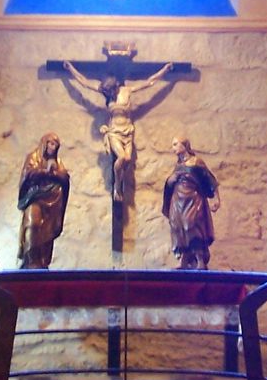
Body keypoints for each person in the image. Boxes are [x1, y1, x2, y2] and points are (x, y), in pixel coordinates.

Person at [63, 60, 174, 200]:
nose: (109, 94)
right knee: (122, 157)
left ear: (115, 85)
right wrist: (70, 69)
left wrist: (165, 70)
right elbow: (84, 82)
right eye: (107, 91)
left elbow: (149, 82)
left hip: (127, 131)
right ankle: (117, 186)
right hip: (114, 131)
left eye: (111, 90)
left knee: (127, 160)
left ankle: (119, 183)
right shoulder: (105, 91)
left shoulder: (127, 91)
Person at [163, 136, 220, 270]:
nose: (173, 148)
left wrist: (217, 199)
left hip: (193, 199)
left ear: (184, 145)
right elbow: (171, 183)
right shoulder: (178, 165)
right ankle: (184, 258)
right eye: (173, 145)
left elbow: (210, 180)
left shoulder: (196, 162)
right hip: (177, 200)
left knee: (191, 225)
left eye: (176, 144)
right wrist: (170, 180)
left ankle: (200, 259)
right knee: (177, 226)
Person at [18, 132, 70, 269]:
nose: (53, 147)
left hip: (53, 202)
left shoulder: (58, 162)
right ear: (44, 144)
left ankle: (42, 261)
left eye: (56, 145)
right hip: (35, 197)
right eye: (51, 144)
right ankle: (30, 259)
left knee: (48, 231)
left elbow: (65, 178)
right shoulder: (33, 157)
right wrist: (44, 172)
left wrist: (56, 174)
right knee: (33, 223)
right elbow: (28, 174)